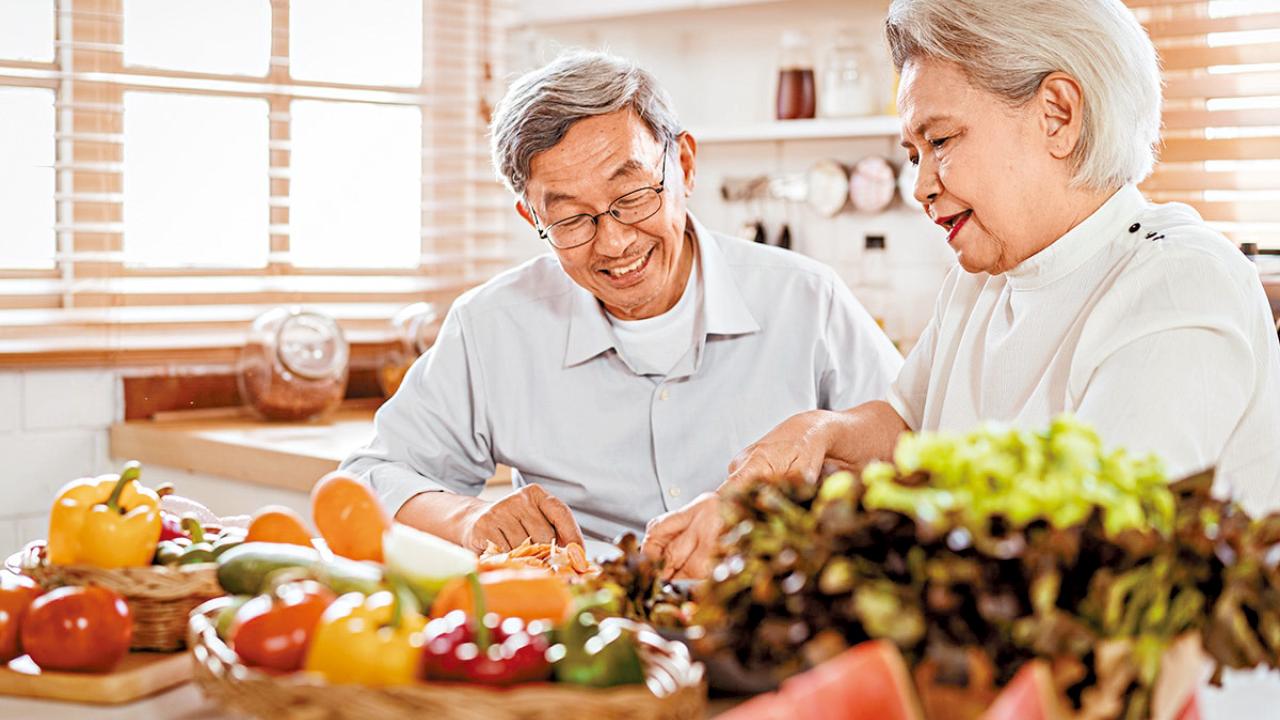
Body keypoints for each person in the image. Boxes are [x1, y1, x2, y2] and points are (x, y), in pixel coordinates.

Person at [644, 0, 1280, 576]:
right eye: (914, 153)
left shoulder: (1177, 281)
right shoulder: (983, 279)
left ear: (1058, 114)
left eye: (941, 141)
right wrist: (821, 431)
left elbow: (1089, 550)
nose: (920, 185)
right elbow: (911, 435)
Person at [340, 50, 901, 557]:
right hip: (582, 641)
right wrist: (469, 519)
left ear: (682, 165)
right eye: (569, 218)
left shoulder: (805, 298)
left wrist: (806, 462)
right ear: (532, 219)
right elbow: (368, 478)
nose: (614, 242)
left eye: (631, 196)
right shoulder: (493, 326)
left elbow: (916, 448)